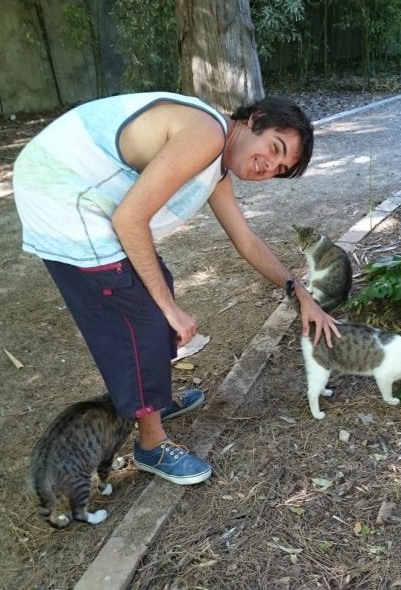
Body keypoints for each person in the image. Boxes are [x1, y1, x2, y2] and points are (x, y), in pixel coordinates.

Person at [13, 91, 340, 486]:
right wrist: (170, 310)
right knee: (143, 317)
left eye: (279, 168)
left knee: (156, 288)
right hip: (60, 193)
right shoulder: (206, 134)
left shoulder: (218, 162)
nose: (268, 166)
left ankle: (153, 403)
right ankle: (151, 446)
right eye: (274, 148)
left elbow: (246, 239)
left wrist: (300, 294)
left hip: (79, 195)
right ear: (254, 120)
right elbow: (129, 219)